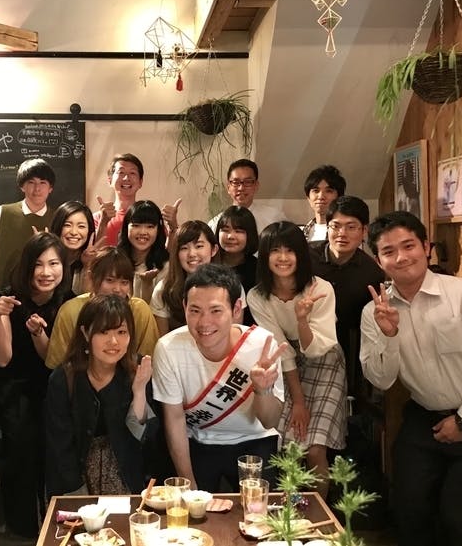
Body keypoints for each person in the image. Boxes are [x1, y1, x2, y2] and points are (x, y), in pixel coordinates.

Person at [360, 211, 462, 546]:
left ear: (427, 247)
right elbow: (381, 379)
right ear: (378, 261)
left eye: (409, 245)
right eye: (389, 251)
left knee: (460, 522)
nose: (401, 257)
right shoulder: (374, 311)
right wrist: (389, 335)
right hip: (425, 420)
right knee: (408, 512)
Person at [152, 264, 286, 492]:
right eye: (195, 311)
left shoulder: (262, 345)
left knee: (259, 508)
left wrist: (262, 390)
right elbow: (174, 420)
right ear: (184, 307)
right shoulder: (168, 348)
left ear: (236, 309)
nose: (204, 322)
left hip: (255, 440)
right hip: (199, 441)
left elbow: (269, 421)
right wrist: (189, 487)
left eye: (216, 311)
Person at [247, 221, 346, 498]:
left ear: (301, 254)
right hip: (286, 363)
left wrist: (302, 320)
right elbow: (283, 350)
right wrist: (299, 401)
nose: (283, 257)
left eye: (290, 250)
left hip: (324, 360)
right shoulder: (257, 296)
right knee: (288, 444)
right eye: (275, 250)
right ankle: (289, 512)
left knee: (314, 449)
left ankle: (320, 515)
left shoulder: (320, 288)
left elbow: (316, 349)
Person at [0, 232, 72, 538]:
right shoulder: (9, 300)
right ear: (26, 266)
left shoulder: (69, 302)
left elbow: (57, 360)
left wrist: (39, 334)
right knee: (21, 456)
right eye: (38, 264)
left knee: (57, 457)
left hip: (57, 388)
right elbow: (2, 359)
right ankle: (22, 528)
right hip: (18, 388)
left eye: (54, 263)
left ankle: (59, 523)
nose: (46, 272)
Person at [45, 295, 155, 496]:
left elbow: (142, 437)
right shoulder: (64, 378)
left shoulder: (137, 370)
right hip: (75, 477)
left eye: (121, 332)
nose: (113, 341)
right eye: (103, 332)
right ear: (86, 333)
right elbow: (59, 445)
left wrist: (139, 391)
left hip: (125, 475)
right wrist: (75, 494)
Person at [309, 196, 385, 396]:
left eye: (351, 227)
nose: (342, 233)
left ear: (364, 231)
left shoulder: (372, 273)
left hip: (349, 348)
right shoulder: (307, 257)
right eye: (336, 226)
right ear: (327, 228)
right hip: (307, 339)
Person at [45, 247, 160, 369]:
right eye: (110, 280)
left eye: (124, 282)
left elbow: (148, 360)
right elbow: (58, 363)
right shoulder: (70, 310)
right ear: (92, 277)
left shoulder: (139, 310)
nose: (117, 289)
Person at [0, 158, 56, 293]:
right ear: (22, 186)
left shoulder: (57, 218)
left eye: (43, 183)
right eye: (31, 182)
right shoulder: (3, 212)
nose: (37, 188)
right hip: (3, 293)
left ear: (50, 188)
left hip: (44, 295)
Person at [151, 221, 220, 336]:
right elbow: (163, 340)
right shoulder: (163, 290)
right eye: (184, 248)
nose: (192, 254)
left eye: (199, 246)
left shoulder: (229, 286)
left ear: (214, 250)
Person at [208, 159, 287, 233]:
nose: (241, 188)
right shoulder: (215, 224)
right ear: (228, 187)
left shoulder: (274, 218)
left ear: (256, 186)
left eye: (248, 182)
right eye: (236, 182)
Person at [214, 206, 259, 326]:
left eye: (238, 231)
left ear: (250, 235)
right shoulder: (209, 265)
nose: (230, 236)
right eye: (225, 230)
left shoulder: (258, 269)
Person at [117, 200, 170, 304]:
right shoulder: (115, 262)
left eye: (150, 226)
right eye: (136, 225)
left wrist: (147, 284)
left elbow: (158, 309)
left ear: (158, 230)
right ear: (126, 227)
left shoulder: (165, 267)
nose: (142, 232)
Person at [93, 153, 145, 246]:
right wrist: (103, 222)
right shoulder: (96, 219)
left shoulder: (149, 216)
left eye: (132, 173)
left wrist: (172, 228)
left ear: (140, 182)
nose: (126, 178)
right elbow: (91, 252)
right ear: (110, 181)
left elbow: (164, 251)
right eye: (121, 172)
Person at [48, 200, 98, 295]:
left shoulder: (93, 262)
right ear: (57, 226)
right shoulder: (45, 260)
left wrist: (87, 265)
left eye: (81, 226)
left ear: (89, 230)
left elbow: (88, 299)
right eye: (67, 225)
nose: (74, 232)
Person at [301, 164, 346, 243]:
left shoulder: (345, 232)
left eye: (328, 191)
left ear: (339, 197)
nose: (321, 196)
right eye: (316, 191)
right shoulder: (299, 234)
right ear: (308, 198)